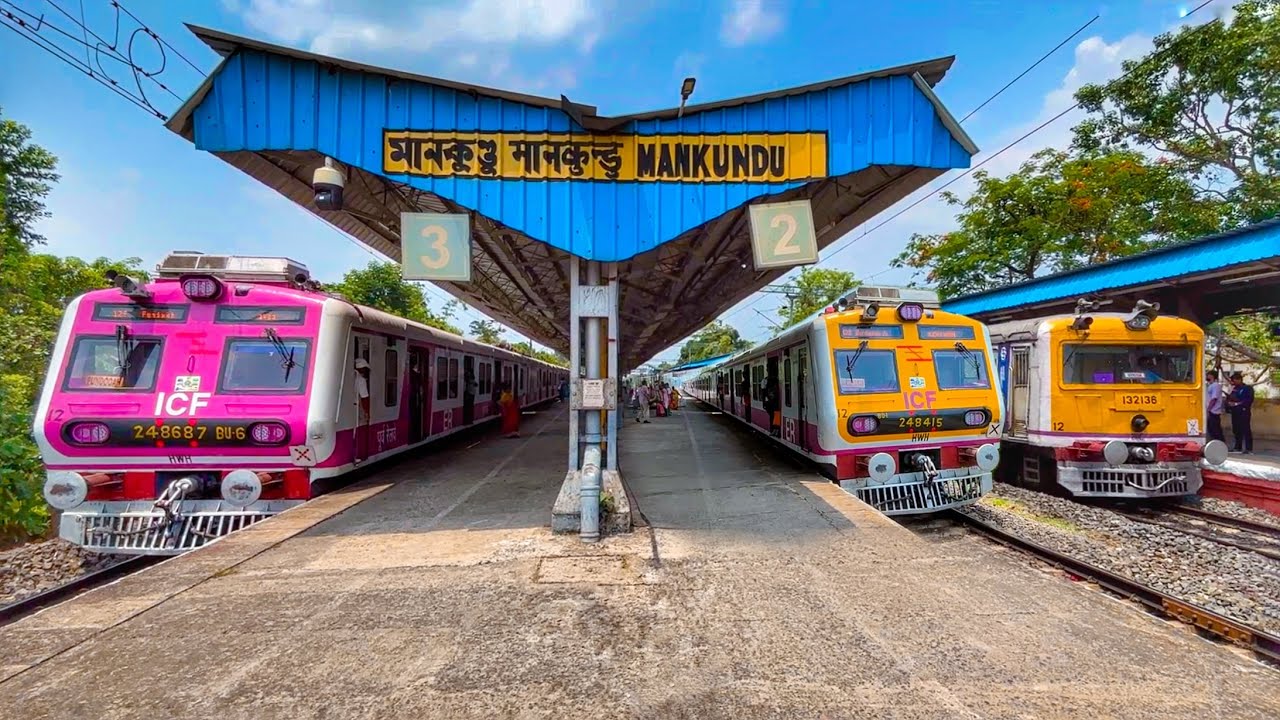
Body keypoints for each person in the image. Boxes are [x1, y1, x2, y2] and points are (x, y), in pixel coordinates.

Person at [1225, 371, 1254, 454]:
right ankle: (1238, 447)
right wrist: (1229, 403)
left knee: (1246, 429)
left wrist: (1238, 403)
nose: (1233, 382)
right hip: (1235, 412)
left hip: (1243, 412)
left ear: (1239, 380)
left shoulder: (1247, 388)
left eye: (1234, 380)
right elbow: (1230, 398)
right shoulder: (1234, 389)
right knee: (1236, 430)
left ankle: (1249, 448)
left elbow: (1249, 400)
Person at [1206, 370, 1225, 443]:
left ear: (1212, 376)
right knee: (1211, 429)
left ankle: (1221, 443)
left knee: (1215, 429)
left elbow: (1214, 398)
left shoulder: (1216, 385)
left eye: (1208, 375)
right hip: (1210, 411)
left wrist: (1209, 409)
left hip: (1214, 411)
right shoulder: (1210, 385)